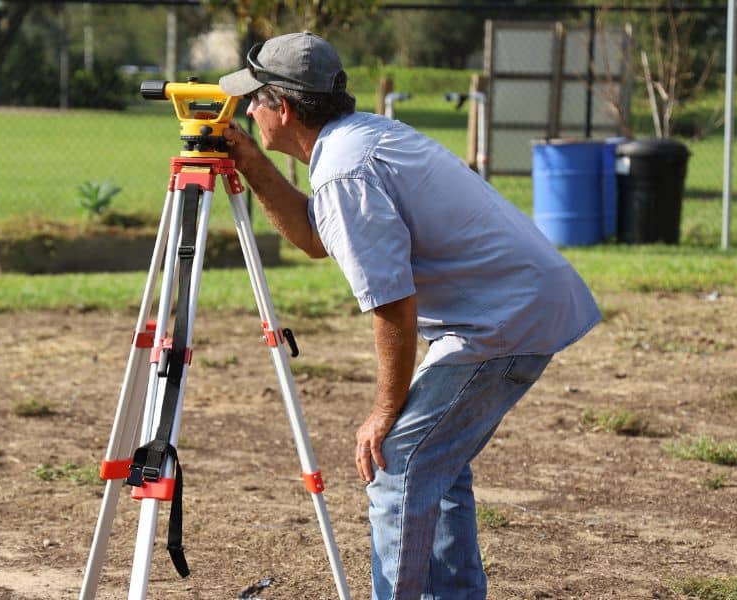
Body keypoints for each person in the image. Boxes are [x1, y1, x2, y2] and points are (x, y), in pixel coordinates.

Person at [219, 31, 600, 600]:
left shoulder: (345, 170)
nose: (248, 110)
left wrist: (383, 410)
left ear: (287, 108)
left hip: (499, 322)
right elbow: (314, 237)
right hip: (513, 308)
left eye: (256, 99)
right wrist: (248, 161)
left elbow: (393, 303)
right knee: (433, 467)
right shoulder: (357, 138)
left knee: (396, 464)